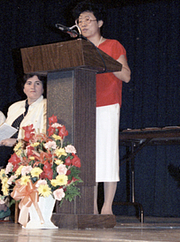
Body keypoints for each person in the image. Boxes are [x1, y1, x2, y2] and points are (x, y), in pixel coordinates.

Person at [72, 1, 131, 215]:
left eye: (88, 20)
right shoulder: (78, 48)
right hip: (83, 106)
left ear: (100, 23)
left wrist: (101, 57)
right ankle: (91, 207)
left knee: (107, 155)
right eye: (80, 21)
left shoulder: (113, 45)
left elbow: (126, 76)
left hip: (107, 104)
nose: (83, 24)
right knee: (87, 156)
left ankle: (106, 208)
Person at [0, 73, 47, 223]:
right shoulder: (15, 107)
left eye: (37, 83)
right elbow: (5, 128)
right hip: (6, 147)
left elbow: (42, 133)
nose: (33, 87)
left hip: (26, 148)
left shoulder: (45, 105)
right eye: (29, 83)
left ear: (43, 88)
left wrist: (18, 141)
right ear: (23, 87)